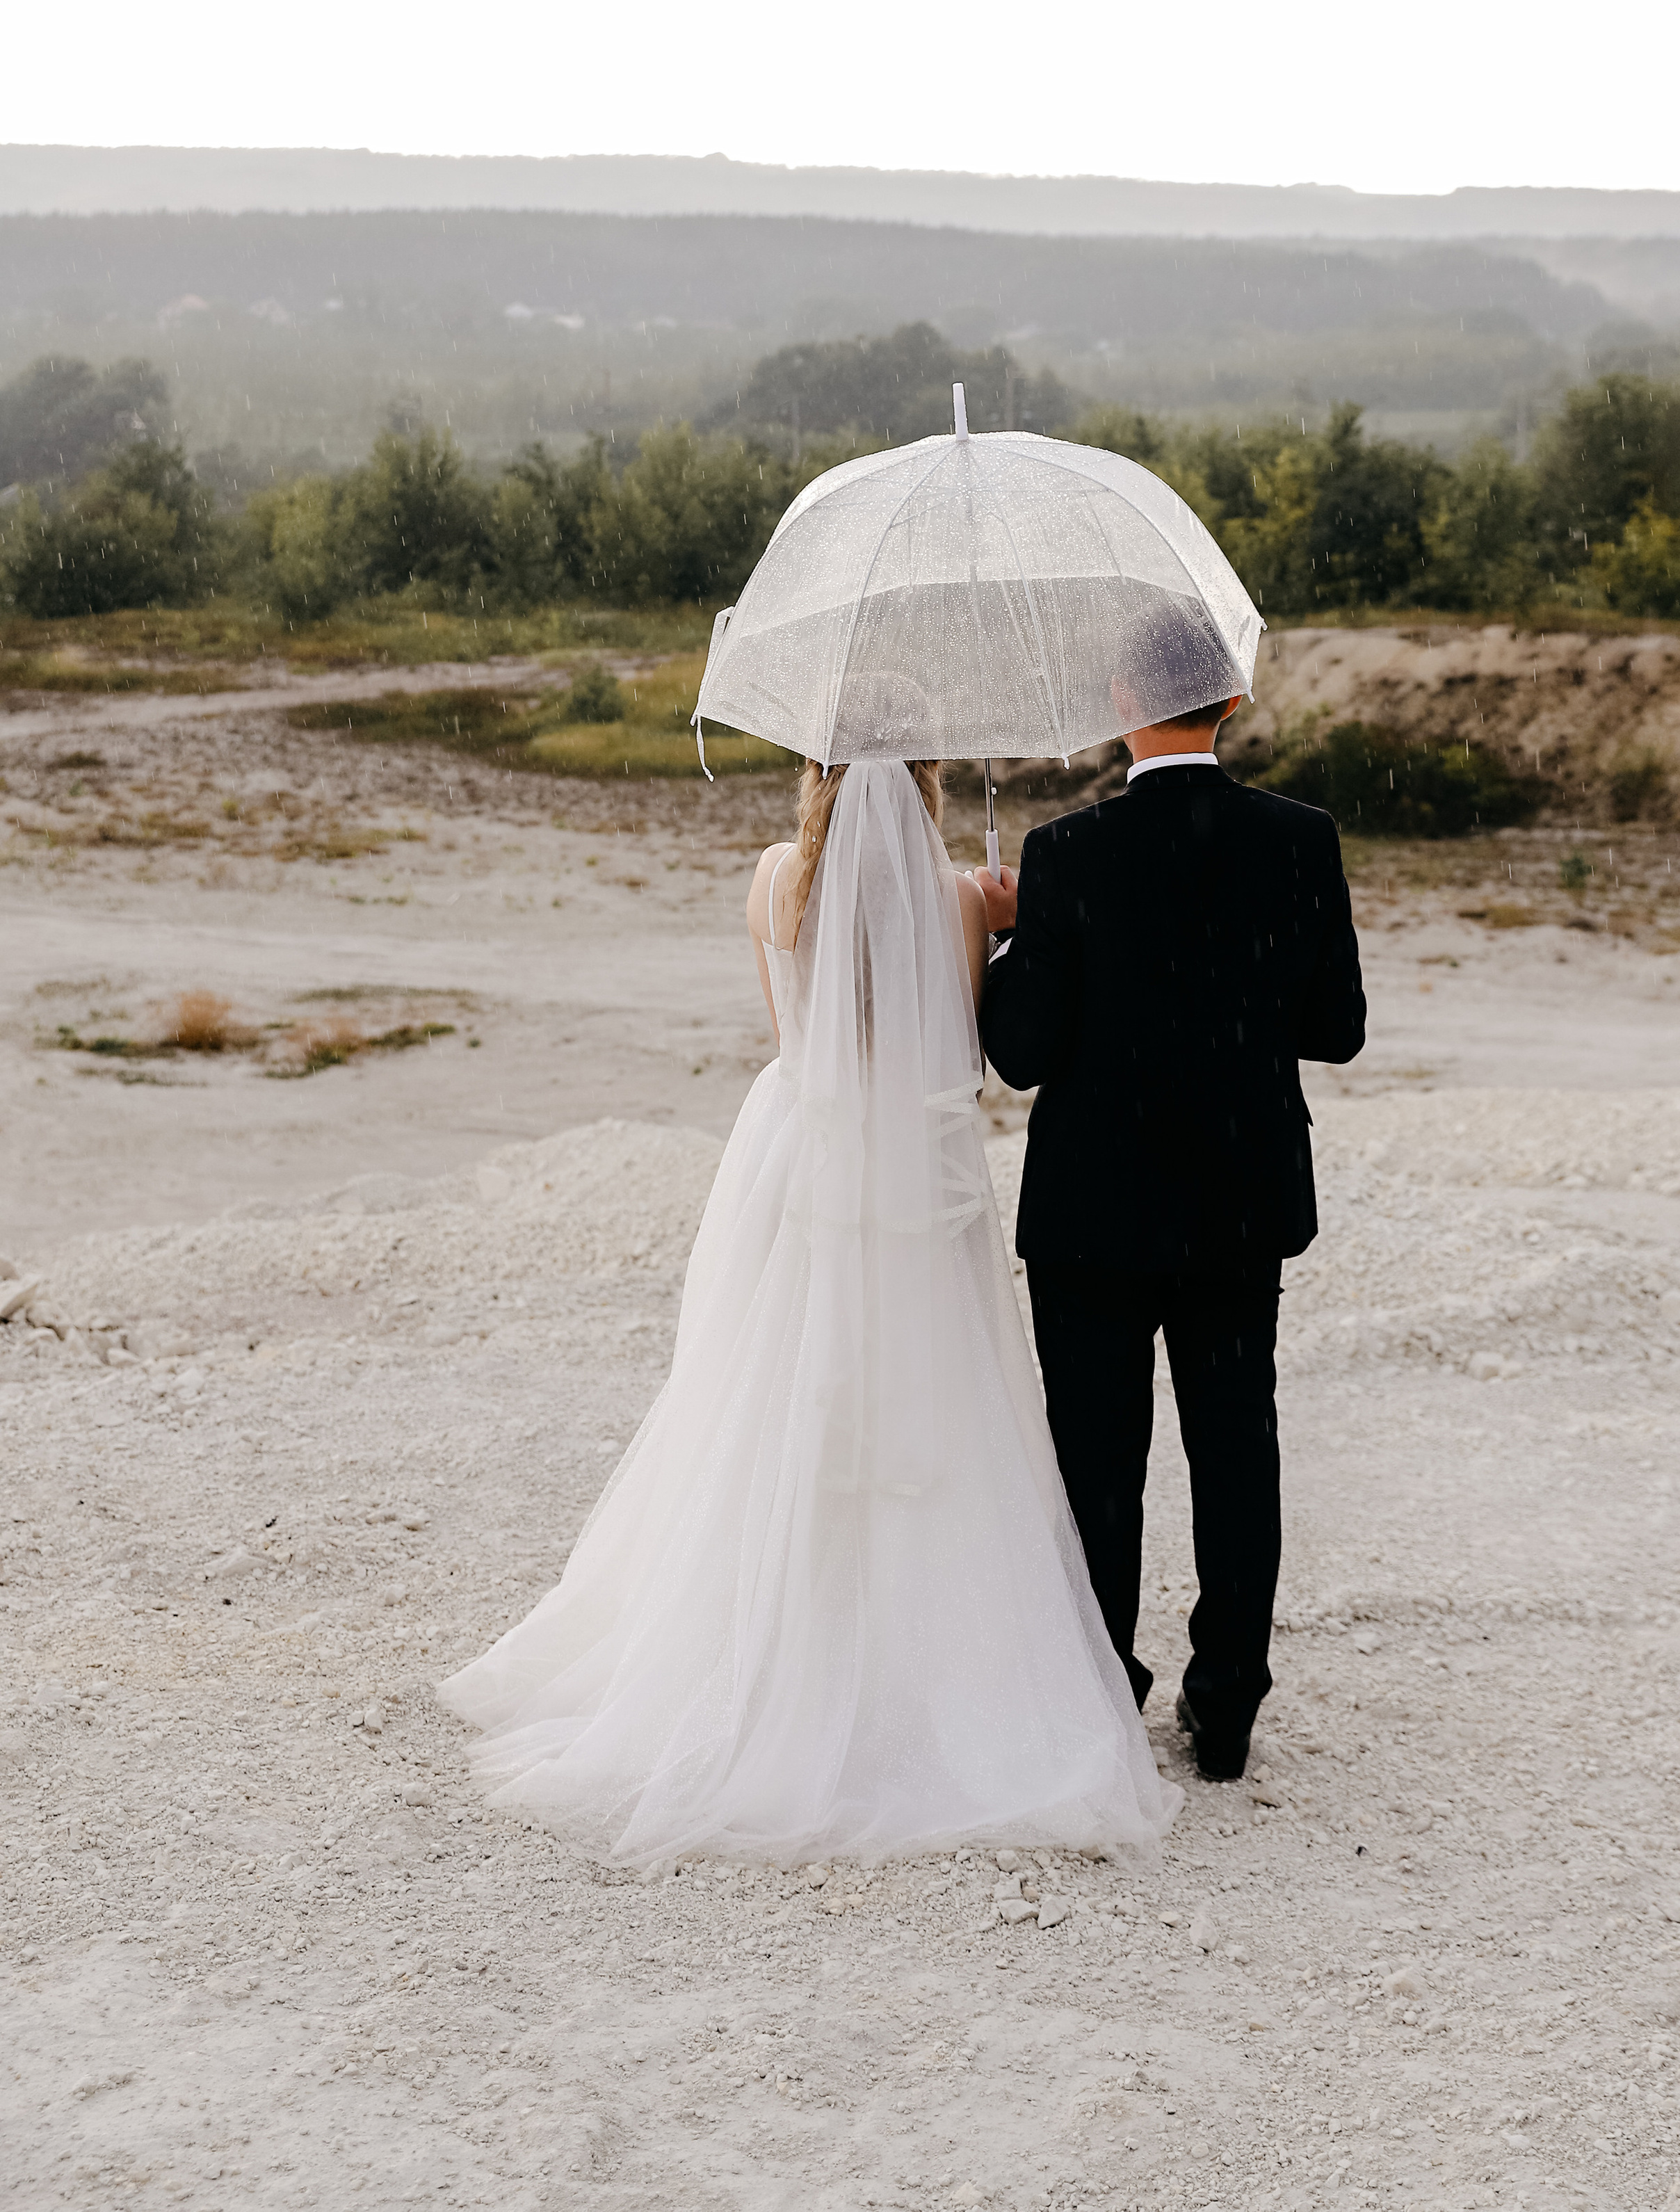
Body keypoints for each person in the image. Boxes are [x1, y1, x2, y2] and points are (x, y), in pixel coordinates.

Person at [441, 756, 1177, 1865]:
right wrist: (997, 926)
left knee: (768, 1383)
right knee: (932, 1391)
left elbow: (799, 1038)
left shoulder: (776, 880)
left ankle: (766, 1632)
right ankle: (927, 1657)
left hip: (805, 1155)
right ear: (924, 782)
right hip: (918, 1168)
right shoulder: (959, 899)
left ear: (818, 769)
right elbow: (966, 1056)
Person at [975, 668, 1366, 1784]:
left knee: (1099, 1463)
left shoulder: (1065, 852)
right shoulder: (1301, 838)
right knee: (1235, 1450)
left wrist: (1007, 942)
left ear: (1118, 700)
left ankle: (1106, 1692)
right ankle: (1227, 1705)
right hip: (1239, 1202)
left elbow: (1022, 1056)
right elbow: (1337, 1028)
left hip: (1093, 1210)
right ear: (1230, 701)